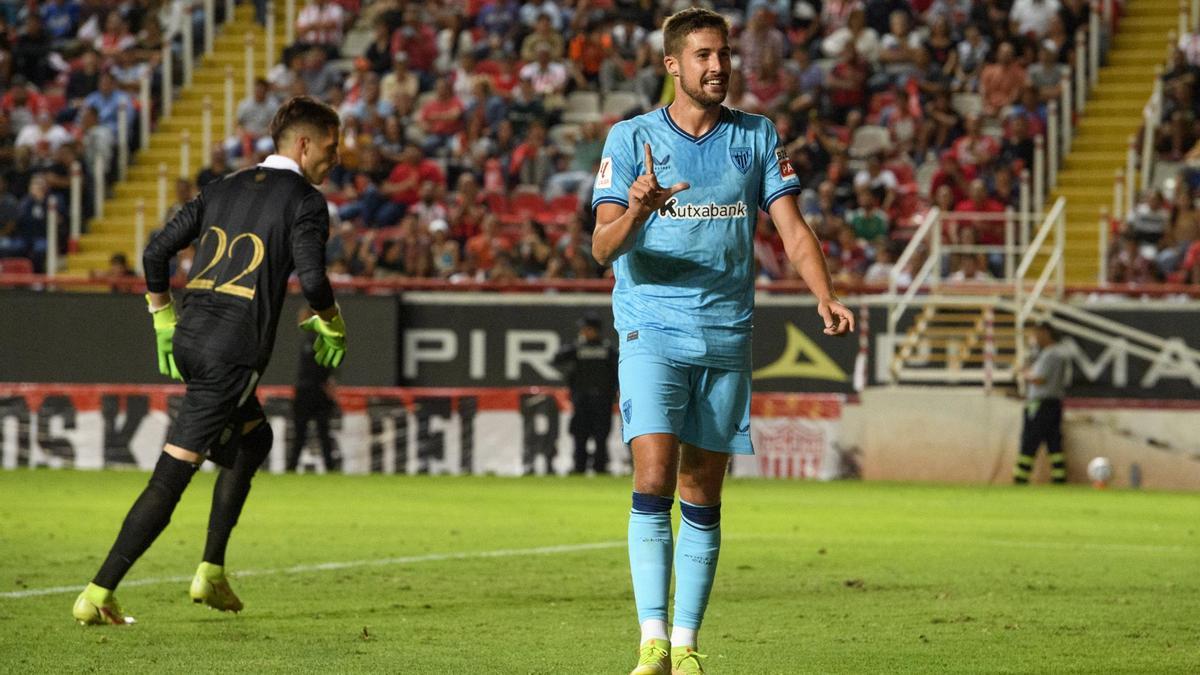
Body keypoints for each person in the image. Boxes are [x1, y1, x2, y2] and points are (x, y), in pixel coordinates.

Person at [589, 8, 855, 674]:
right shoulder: (629, 139)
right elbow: (601, 246)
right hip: (651, 324)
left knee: (703, 491)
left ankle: (686, 645)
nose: (718, 66)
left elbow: (792, 229)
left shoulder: (757, 136)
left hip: (726, 331)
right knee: (653, 473)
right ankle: (650, 639)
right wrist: (641, 209)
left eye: (725, 54)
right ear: (672, 64)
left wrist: (824, 292)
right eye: (704, 55)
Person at [73, 97, 347, 625]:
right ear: (305, 144)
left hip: (191, 340)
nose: (336, 159)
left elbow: (155, 253)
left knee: (255, 439)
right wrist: (331, 321)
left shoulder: (222, 187)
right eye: (331, 148)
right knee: (172, 476)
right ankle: (99, 591)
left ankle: (212, 571)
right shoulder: (306, 202)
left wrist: (162, 318)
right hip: (232, 353)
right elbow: (312, 280)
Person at [553, 312, 619, 475]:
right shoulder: (608, 350)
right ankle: (589, 466)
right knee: (586, 435)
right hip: (596, 399)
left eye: (585, 329)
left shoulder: (579, 349)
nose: (582, 332)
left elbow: (557, 358)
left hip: (589, 398)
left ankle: (590, 466)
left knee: (596, 435)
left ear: (593, 329)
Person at [1014, 320, 1072, 484]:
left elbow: (1038, 379)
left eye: (1035, 334)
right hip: (1053, 403)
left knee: (1029, 441)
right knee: (1054, 442)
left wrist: (1023, 372)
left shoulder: (1051, 354)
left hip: (1041, 404)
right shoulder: (1053, 353)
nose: (1033, 338)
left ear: (1045, 333)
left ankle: (1021, 477)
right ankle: (1059, 478)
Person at [288, 307, 338, 472]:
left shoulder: (312, 339)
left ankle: (292, 468)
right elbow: (327, 368)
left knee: (301, 434)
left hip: (307, 391)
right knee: (323, 433)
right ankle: (330, 468)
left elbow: (315, 370)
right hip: (317, 391)